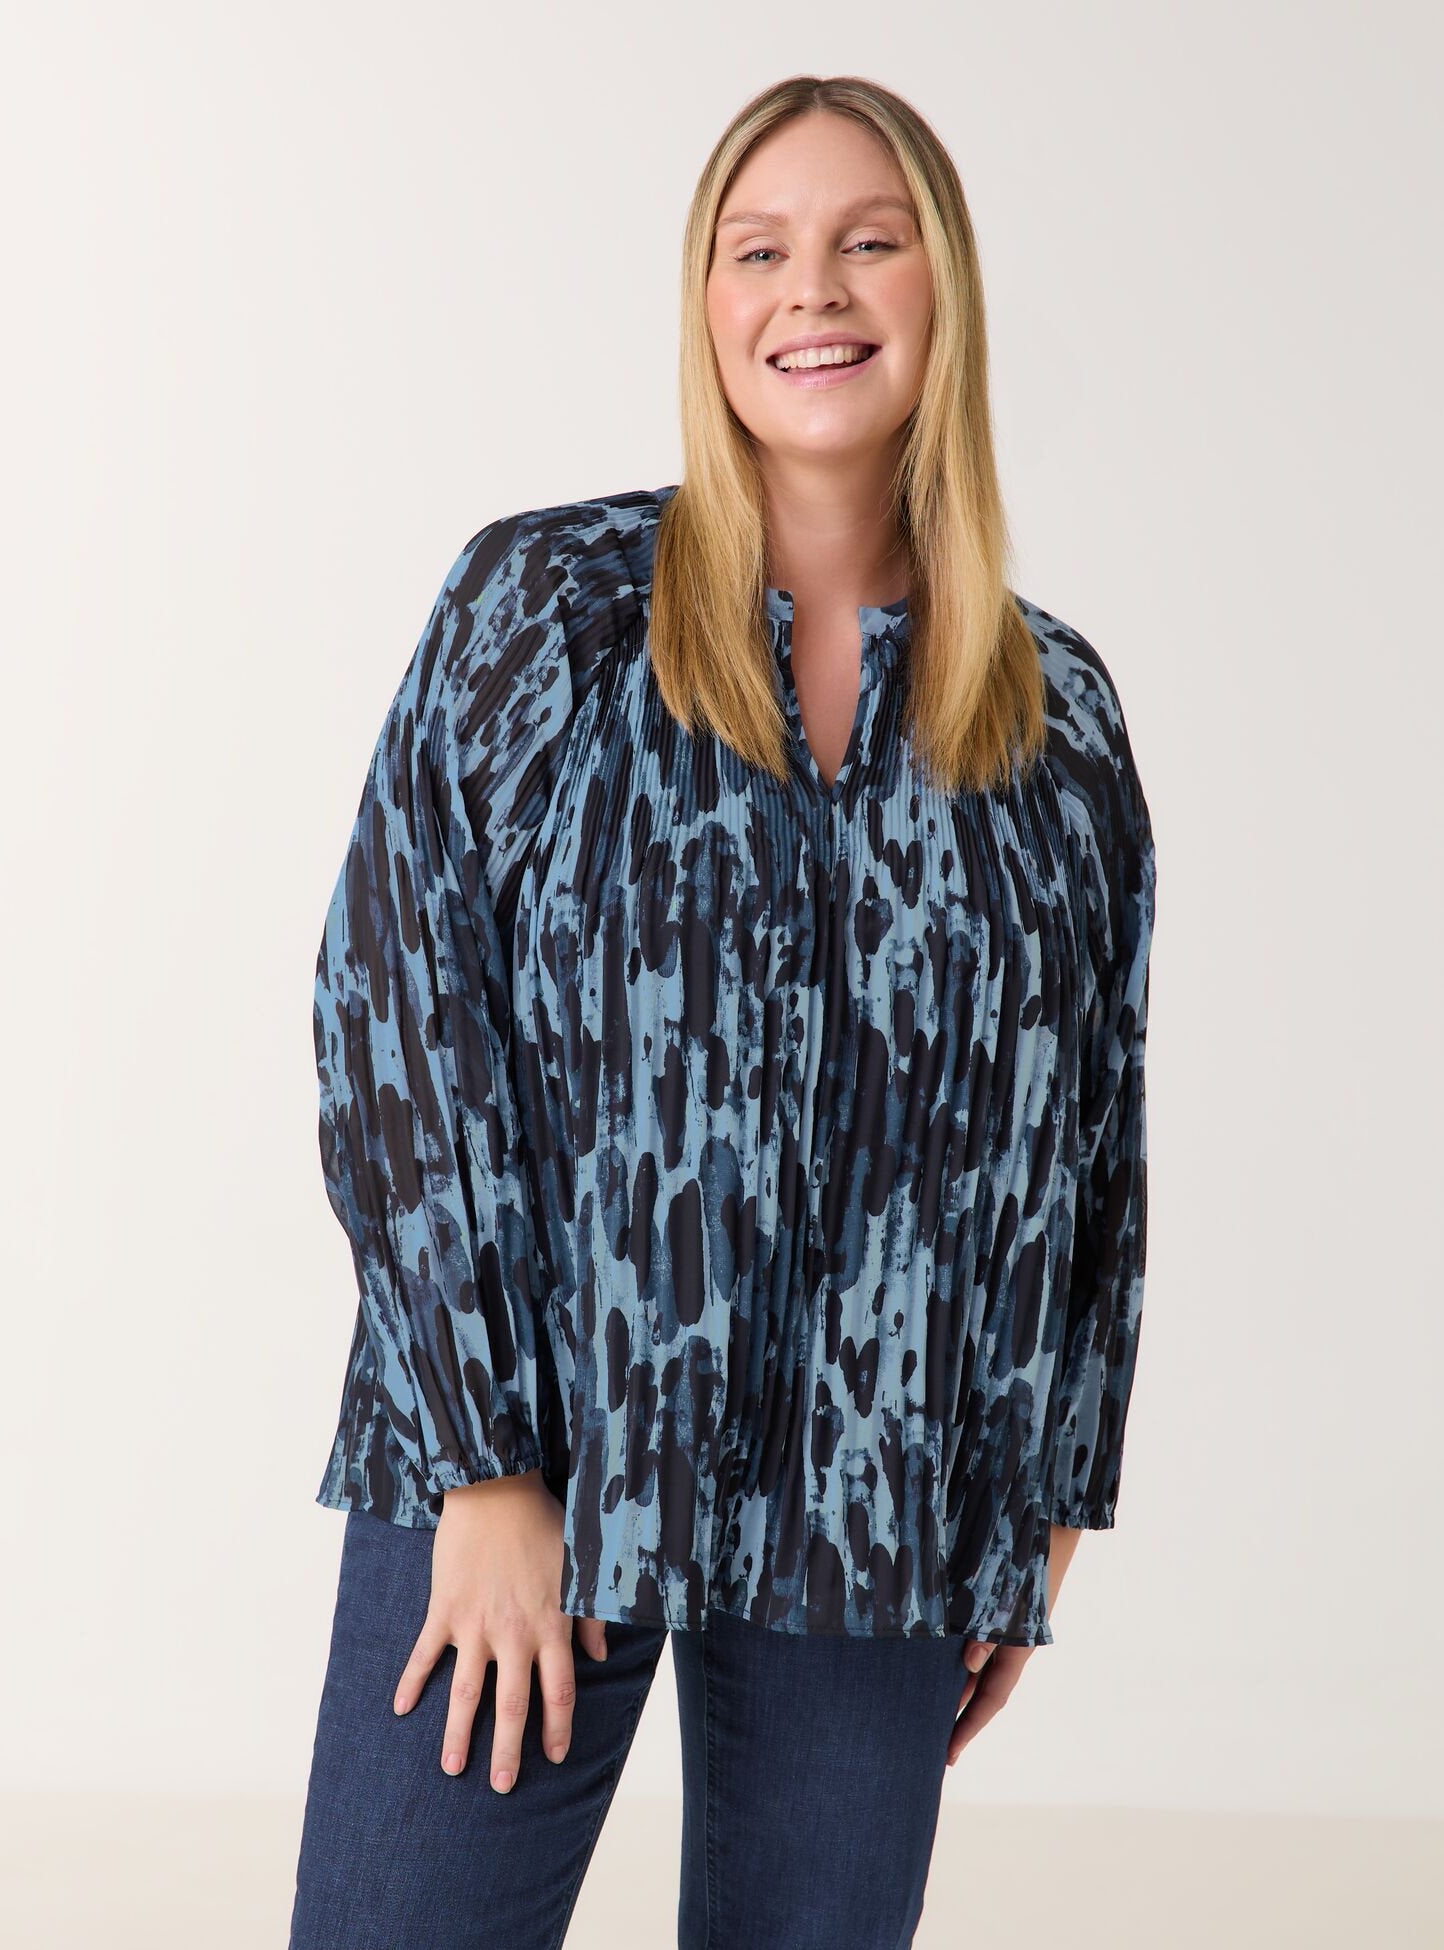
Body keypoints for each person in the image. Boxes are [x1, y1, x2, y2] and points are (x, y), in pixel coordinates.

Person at [288, 73, 1157, 1950]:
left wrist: (1039, 1507)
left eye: (867, 241)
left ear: (943, 289)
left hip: (879, 1496)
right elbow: (395, 1011)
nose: (811, 289)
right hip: (536, 1453)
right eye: (758, 251)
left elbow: (1090, 1134)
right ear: (706, 302)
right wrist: (483, 1464)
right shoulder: (545, 610)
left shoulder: (1058, 715)